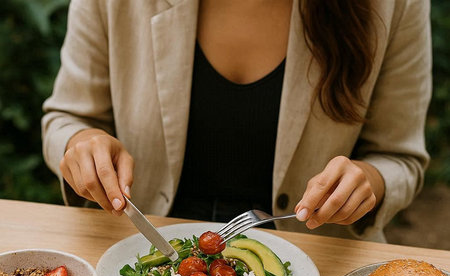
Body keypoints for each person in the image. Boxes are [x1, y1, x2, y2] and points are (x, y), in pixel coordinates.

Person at [42, 0, 431, 242]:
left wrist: (369, 182)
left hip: (316, 258)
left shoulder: (394, 5)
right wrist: (82, 141)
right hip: (140, 252)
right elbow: (67, 117)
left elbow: (399, 158)